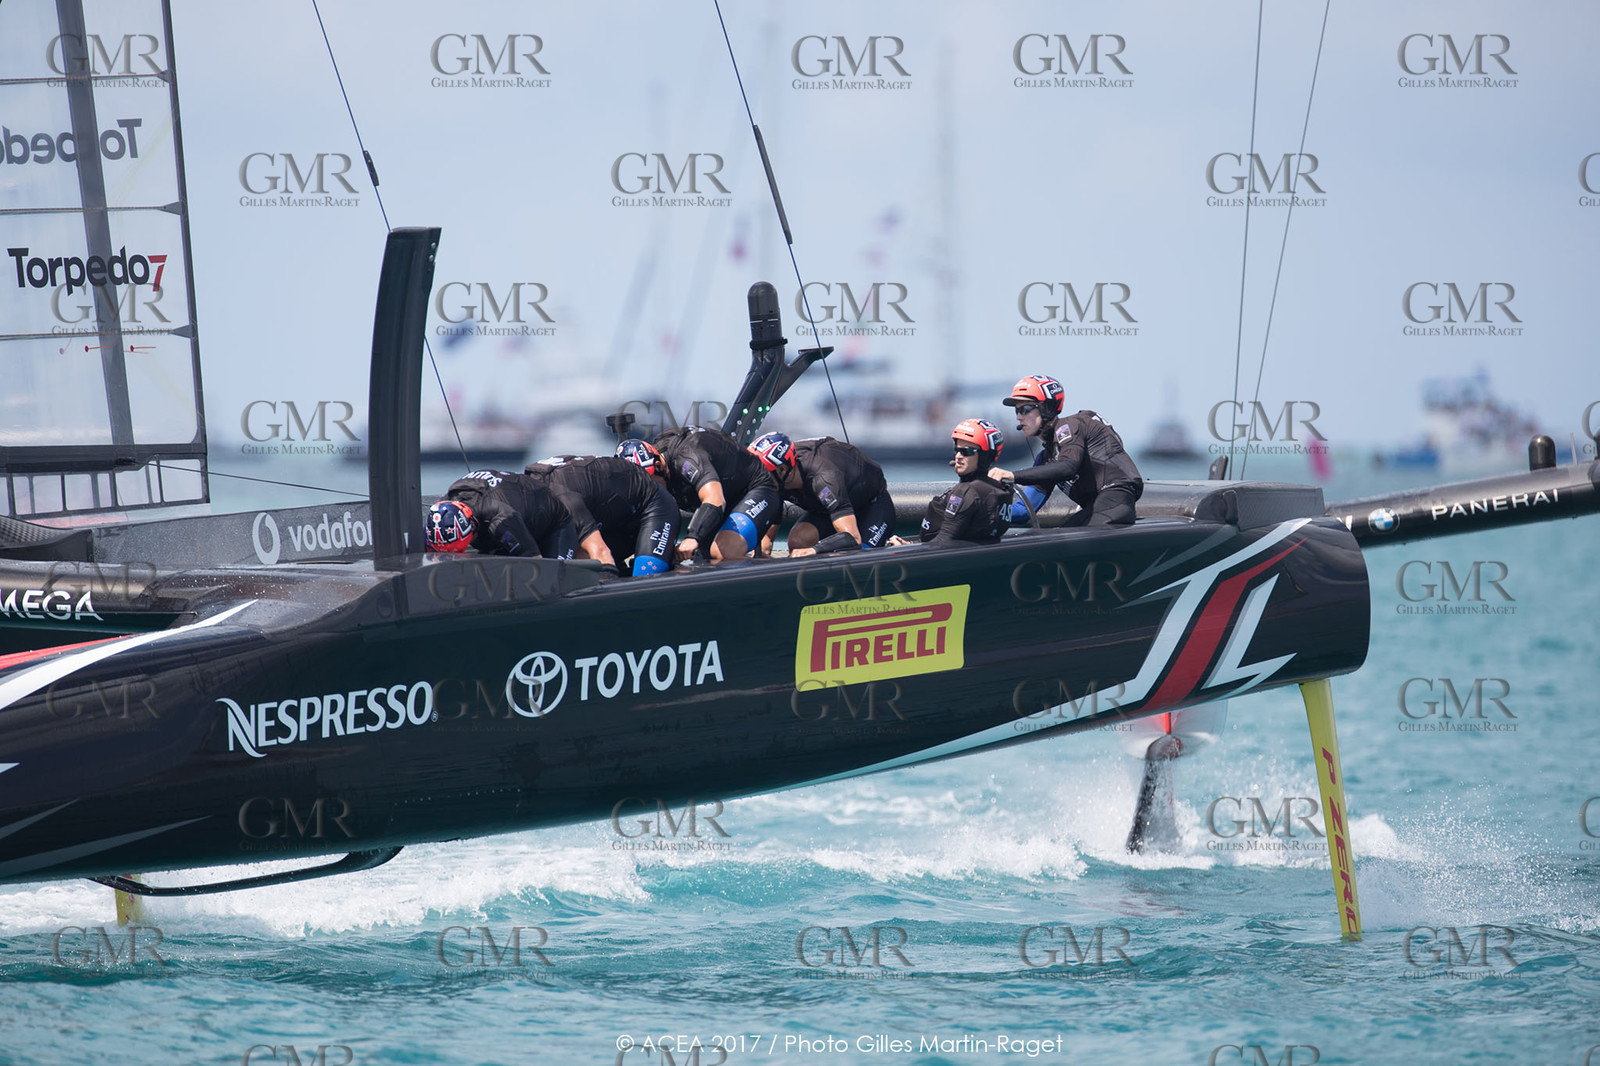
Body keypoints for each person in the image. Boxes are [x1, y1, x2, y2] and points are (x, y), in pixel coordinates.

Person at [991, 374, 1143, 526]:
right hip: (1096, 509)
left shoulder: (1069, 426)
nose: (1018, 417)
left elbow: (1068, 467)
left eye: (1026, 409)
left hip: (1116, 500)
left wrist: (1011, 475)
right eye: (1016, 411)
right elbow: (1023, 511)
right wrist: (984, 513)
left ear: (1046, 408)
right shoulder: (1046, 460)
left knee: (1060, 540)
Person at [616, 425, 780, 561]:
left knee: (722, 551)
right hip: (725, 498)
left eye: (648, 481)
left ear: (659, 466)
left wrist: (692, 537)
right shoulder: (658, 470)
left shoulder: (686, 458)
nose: (646, 489)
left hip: (755, 488)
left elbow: (715, 499)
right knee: (702, 558)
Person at [522, 455, 678, 576]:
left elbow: (601, 553)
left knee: (646, 575)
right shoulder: (532, 496)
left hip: (654, 504)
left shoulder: (564, 501)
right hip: (611, 511)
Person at [748, 432, 895, 557]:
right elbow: (766, 541)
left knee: (858, 554)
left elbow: (852, 538)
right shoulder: (774, 481)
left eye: (764, 473)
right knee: (799, 541)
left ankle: (892, 543)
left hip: (871, 506)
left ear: (783, 469)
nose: (760, 479)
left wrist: (814, 550)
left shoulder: (824, 479)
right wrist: (761, 557)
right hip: (830, 509)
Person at [425, 469, 577, 558]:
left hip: (553, 523)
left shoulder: (502, 520)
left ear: (472, 525)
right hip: (513, 507)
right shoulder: (441, 510)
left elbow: (536, 563)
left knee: (554, 578)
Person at [915, 418, 1012, 547]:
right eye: (957, 450)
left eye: (967, 451)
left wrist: (906, 549)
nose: (958, 456)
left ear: (984, 456)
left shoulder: (965, 492)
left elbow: (943, 542)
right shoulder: (1001, 489)